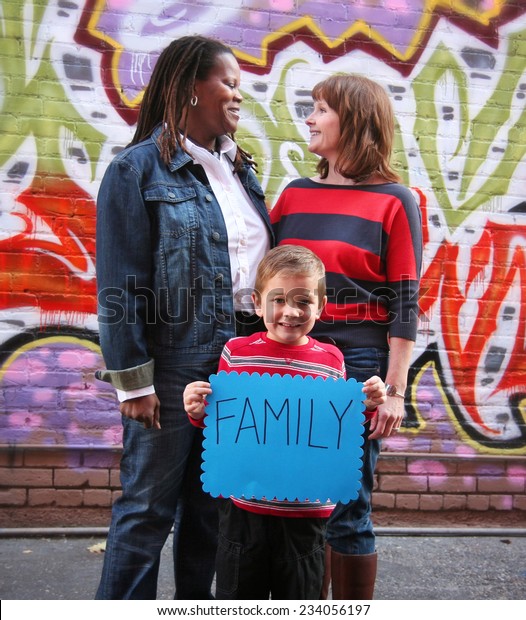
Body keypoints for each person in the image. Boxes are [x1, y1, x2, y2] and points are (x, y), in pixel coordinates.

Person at [94, 35, 273, 599]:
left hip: (242, 360)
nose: (239, 94)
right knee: (147, 511)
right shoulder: (138, 170)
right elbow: (120, 289)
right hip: (173, 363)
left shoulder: (240, 171)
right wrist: (133, 382)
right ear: (190, 89)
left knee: (212, 510)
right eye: (229, 82)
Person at [270, 74, 423, 599]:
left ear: (354, 120)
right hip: (288, 353)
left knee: (346, 501)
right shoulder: (292, 195)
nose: (309, 119)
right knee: (288, 496)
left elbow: (405, 302)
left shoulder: (396, 201)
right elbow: (269, 279)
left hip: (358, 361)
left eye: (320, 109)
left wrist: (396, 391)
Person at [183, 245, 386, 600]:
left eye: (303, 301)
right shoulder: (236, 352)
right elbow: (224, 426)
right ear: (258, 303)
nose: (290, 311)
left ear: (320, 308)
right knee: (239, 597)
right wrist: (198, 412)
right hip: (244, 510)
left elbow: (335, 430)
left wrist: (366, 407)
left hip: (306, 514)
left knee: (301, 597)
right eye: (278, 300)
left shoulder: (331, 360)